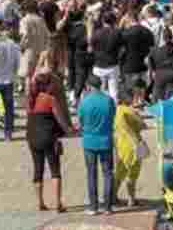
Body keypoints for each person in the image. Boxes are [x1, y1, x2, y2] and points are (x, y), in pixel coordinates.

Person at [26, 70, 72, 212]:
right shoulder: (50, 100)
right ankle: (58, 203)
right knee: (55, 170)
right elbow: (61, 120)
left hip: (32, 137)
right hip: (49, 137)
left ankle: (40, 203)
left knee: (38, 170)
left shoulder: (30, 100)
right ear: (48, 85)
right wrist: (70, 130)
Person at [78, 75, 117, 215]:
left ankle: (93, 206)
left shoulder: (84, 102)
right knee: (108, 173)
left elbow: (81, 121)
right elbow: (113, 116)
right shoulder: (109, 101)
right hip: (106, 140)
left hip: (89, 141)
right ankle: (108, 206)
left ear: (89, 86)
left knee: (91, 174)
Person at [112, 84, 148, 207]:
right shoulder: (131, 111)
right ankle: (131, 199)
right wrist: (137, 112)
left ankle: (113, 196)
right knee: (132, 174)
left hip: (120, 145)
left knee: (119, 172)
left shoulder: (116, 110)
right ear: (129, 99)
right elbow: (143, 125)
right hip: (134, 145)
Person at [147, 26, 173, 101]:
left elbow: (150, 60)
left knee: (157, 99)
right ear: (172, 37)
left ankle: (156, 108)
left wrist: (152, 73)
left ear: (163, 37)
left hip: (160, 76)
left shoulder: (156, 51)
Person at [89, 13, 123, 102]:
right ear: (114, 21)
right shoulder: (117, 33)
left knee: (98, 91)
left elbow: (90, 48)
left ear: (103, 21)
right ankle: (114, 112)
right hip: (113, 64)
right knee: (114, 92)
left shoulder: (96, 33)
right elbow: (122, 49)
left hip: (99, 65)